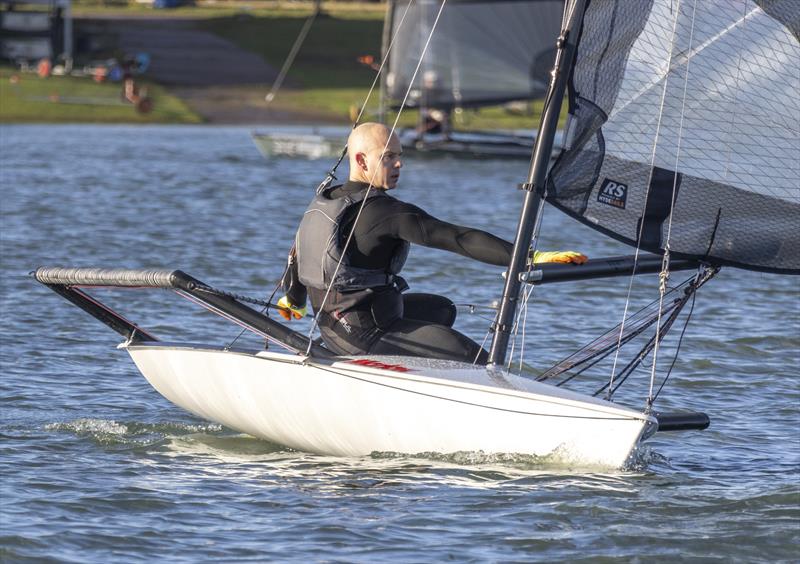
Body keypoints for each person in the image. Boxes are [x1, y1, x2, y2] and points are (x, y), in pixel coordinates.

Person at [277, 122, 586, 364]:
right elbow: (457, 238)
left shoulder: (325, 200)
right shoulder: (383, 211)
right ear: (360, 160)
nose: (399, 165)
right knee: (477, 360)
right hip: (363, 335)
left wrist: (294, 296)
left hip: (332, 327)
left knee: (440, 310)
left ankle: (402, 375)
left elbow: (299, 252)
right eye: (389, 157)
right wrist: (531, 258)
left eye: (400, 156)